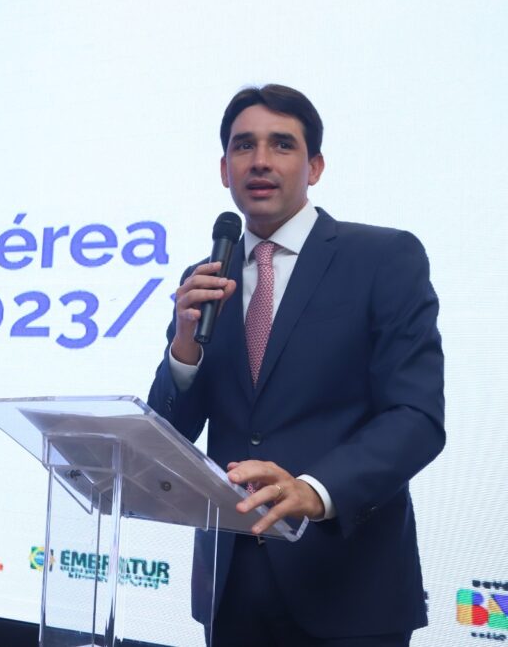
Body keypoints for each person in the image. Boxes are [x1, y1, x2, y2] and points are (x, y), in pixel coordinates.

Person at [147, 84, 445, 647]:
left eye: (282, 144)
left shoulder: (383, 258)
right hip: (231, 588)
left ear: (315, 167)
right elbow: (171, 434)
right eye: (243, 146)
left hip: (349, 588)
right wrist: (184, 348)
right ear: (224, 170)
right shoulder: (207, 278)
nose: (260, 161)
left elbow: (416, 417)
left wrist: (316, 489)